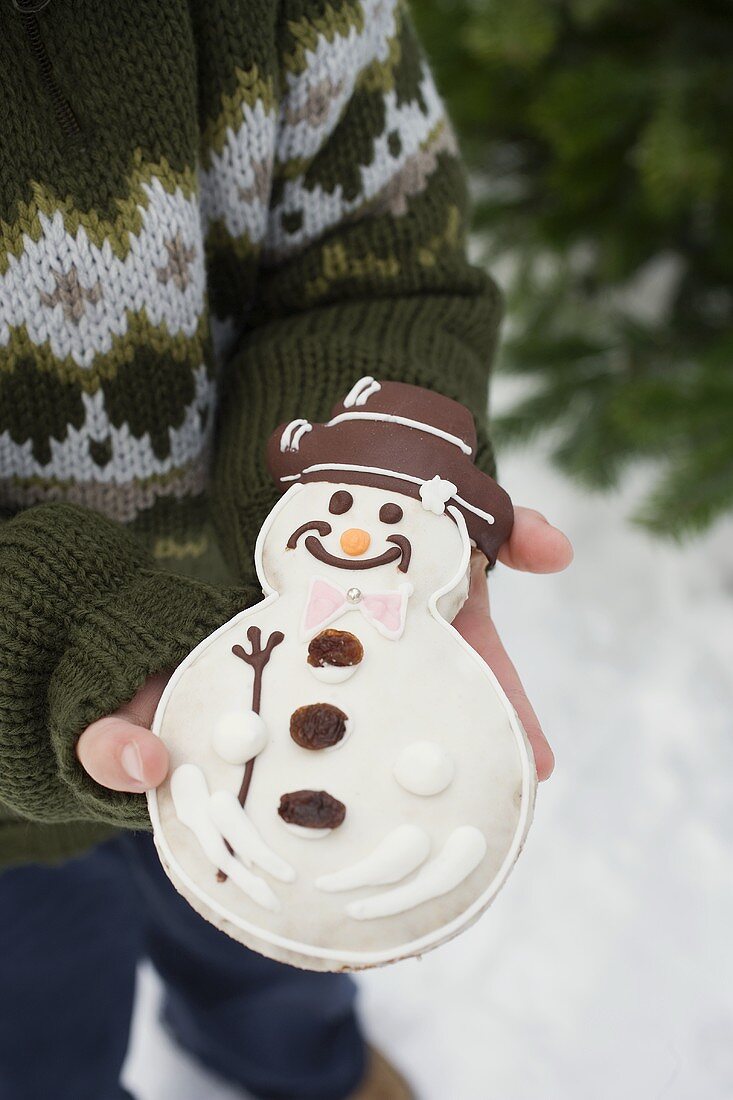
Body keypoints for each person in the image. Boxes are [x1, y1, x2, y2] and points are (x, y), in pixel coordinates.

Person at [0, 2, 572, 1098]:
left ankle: (294, 1063)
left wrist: (367, 481)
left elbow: (372, 272)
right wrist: (52, 650)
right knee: (39, 1043)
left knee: (290, 933)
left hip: (270, 671)